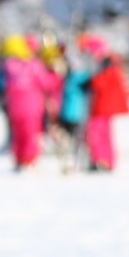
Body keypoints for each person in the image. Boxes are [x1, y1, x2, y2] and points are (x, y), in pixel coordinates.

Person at [0, 34, 61, 170]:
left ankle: (19, 159)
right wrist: (56, 75)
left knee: (18, 134)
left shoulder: (10, 66)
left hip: (14, 108)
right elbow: (46, 82)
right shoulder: (34, 66)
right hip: (31, 107)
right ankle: (29, 159)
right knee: (30, 134)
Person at [84, 38, 129, 172]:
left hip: (103, 106)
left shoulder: (106, 65)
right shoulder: (110, 63)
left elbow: (101, 83)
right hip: (105, 106)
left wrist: (90, 81)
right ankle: (107, 161)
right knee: (105, 134)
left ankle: (100, 160)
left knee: (96, 133)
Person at [54, 37, 94, 173]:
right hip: (66, 113)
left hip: (77, 114)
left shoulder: (83, 79)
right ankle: (69, 162)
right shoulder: (66, 77)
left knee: (77, 140)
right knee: (67, 140)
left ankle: (77, 162)